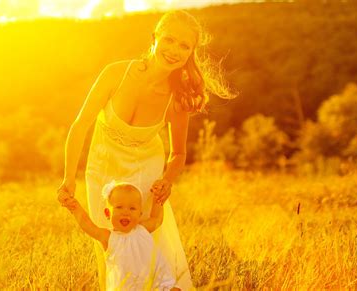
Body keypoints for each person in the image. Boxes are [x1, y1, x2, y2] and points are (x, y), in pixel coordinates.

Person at [57, 10, 234, 290]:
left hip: (146, 174)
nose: (174, 50)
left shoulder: (178, 98)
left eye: (184, 46)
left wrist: (167, 180)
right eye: (169, 40)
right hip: (102, 170)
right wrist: (69, 178)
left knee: (148, 245)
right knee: (110, 247)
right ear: (154, 38)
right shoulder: (116, 73)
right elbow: (80, 126)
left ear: (191, 53)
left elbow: (178, 154)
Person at [61, 180, 181, 290]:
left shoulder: (142, 229)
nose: (125, 212)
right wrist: (74, 207)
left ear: (140, 214)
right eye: (119, 207)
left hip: (156, 283)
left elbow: (156, 219)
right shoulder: (108, 237)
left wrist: (157, 198)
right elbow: (87, 224)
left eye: (132, 208)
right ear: (108, 213)